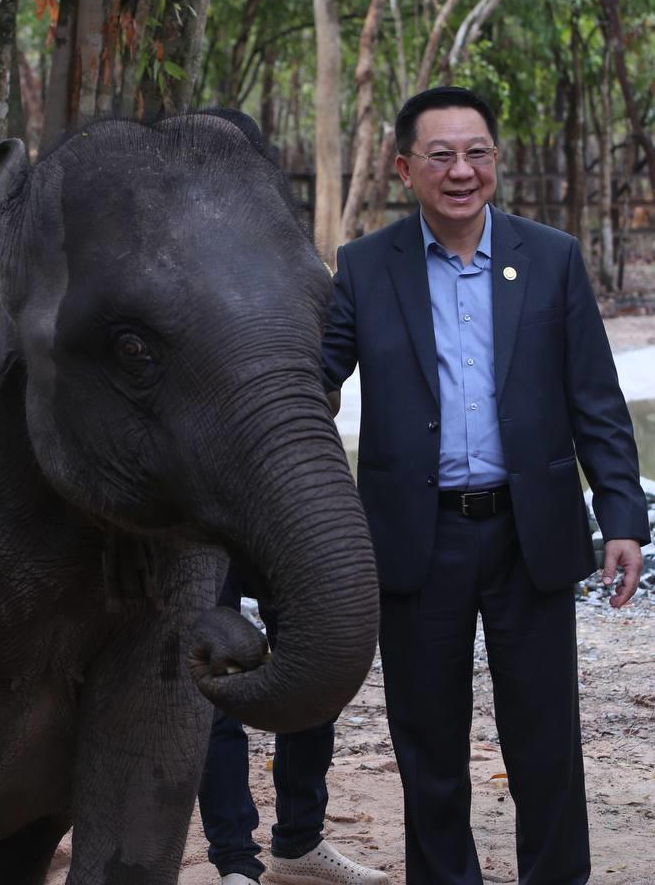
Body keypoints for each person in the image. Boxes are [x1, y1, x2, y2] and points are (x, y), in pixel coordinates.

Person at [321, 85, 649, 885]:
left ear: (494, 160)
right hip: (416, 535)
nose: (460, 171)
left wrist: (621, 516)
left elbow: (595, 400)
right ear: (404, 168)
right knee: (427, 742)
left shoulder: (550, 257)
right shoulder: (365, 267)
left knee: (543, 737)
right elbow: (311, 380)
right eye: (440, 155)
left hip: (526, 531)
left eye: (475, 153)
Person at [198, 564, 388, 885]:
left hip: (286, 535)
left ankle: (299, 843)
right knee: (217, 685)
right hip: (208, 539)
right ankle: (235, 860)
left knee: (312, 672)